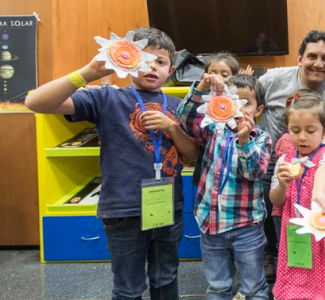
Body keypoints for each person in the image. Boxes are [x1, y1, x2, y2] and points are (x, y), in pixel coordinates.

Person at [24, 27, 198, 300]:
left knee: (166, 278)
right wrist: (87, 74)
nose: (152, 66)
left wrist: (173, 129)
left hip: (168, 207)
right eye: (144, 59)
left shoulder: (178, 105)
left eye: (161, 62)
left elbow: (193, 155)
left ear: (171, 70)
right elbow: (35, 102)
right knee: (128, 286)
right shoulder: (107, 97)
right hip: (122, 210)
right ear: (127, 61)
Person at [258, 30, 325, 281]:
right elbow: (247, 100)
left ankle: (310, 273)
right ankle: (274, 258)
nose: (318, 63)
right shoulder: (272, 80)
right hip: (270, 164)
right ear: (299, 58)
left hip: (312, 169)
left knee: (304, 220)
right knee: (270, 215)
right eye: (312, 56)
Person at [185, 74, 272, 299]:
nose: (239, 109)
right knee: (217, 285)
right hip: (211, 223)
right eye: (234, 101)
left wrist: (245, 141)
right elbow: (188, 120)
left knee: (253, 286)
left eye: (247, 103)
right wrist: (202, 88)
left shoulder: (261, 139)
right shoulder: (213, 130)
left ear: (259, 109)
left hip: (247, 226)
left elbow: (255, 173)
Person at [269, 89, 325, 300]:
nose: (302, 137)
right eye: (295, 130)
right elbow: (276, 200)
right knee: (299, 274)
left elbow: (324, 170)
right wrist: (282, 186)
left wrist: (319, 192)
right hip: (296, 232)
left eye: (310, 130)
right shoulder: (284, 161)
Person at [178, 52, 240, 187]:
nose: (217, 78)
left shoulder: (239, 107)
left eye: (225, 75)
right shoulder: (204, 107)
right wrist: (203, 86)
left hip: (235, 184)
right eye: (212, 73)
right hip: (208, 185)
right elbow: (186, 118)